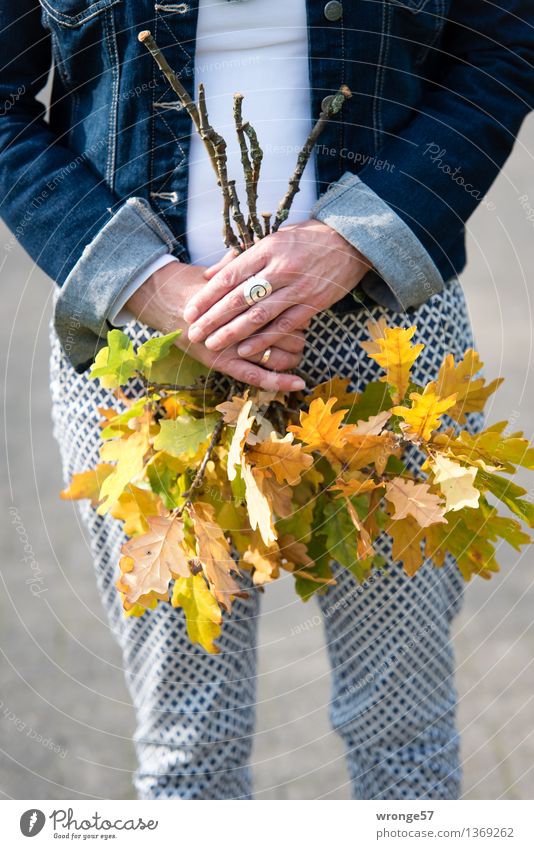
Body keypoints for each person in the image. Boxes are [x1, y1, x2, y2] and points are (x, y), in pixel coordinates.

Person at [1, 0, 532, 800]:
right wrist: (151, 286)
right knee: (189, 750)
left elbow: (502, 46)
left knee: (406, 740)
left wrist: (355, 238)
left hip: (386, 345)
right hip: (147, 361)